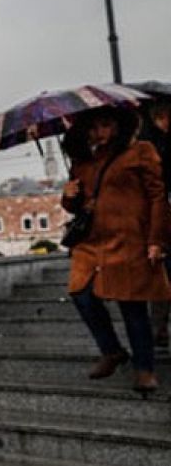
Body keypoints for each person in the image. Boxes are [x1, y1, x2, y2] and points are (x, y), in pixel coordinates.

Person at [60, 106, 170, 393]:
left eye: (106, 125)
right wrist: (68, 196)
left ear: (120, 126)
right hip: (91, 244)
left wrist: (156, 240)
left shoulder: (140, 152)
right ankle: (112, 350)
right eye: (94, 127)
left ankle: (144, 370)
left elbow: (158, 197)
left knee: (132, 305)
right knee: (80, 293)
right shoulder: (83, 162)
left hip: (128, 241)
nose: (100, 133)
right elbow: (75, 204)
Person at [139, 100, 171, 346]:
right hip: (161, 217)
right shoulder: (151, 145)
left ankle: (157, 330)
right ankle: (157, 330)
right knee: (162, 275)